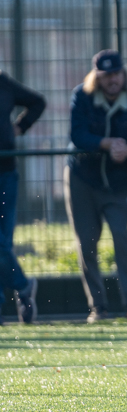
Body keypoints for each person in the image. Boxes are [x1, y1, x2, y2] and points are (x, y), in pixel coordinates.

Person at [66, 50, 127, 324]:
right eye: (106, 75)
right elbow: (77, 134)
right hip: (83, 179)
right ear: (97, 77)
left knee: (121, 235)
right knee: (87, 243)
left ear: (123, 73)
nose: (112, 80)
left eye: (116, 73)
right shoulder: (82, 95)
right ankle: (98, 307)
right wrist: (106, 144)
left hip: (118, 182)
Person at [0, 70, 45, 324]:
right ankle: (24, 286)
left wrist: (19, 128)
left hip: (5, 173)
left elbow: (38, 102)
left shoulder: (4, 83)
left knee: (3, 244)